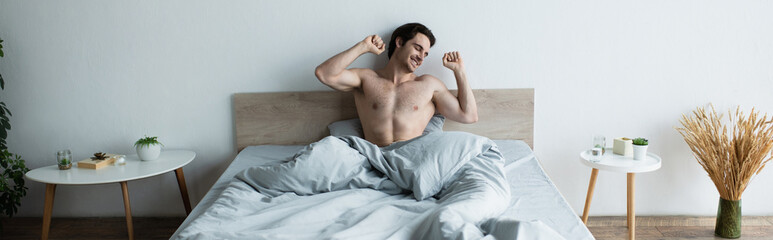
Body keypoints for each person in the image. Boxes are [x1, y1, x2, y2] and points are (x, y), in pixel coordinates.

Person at [315, 23, 478, 147]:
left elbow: (469, 115)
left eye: (425, 54)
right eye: (417, 48)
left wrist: (459, 71)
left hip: (410, 158)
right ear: (399, 42)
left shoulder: (428, 84)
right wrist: (363, 47)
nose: (421, 58)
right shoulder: (366, 78)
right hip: (373, 157)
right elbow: (324, 74)